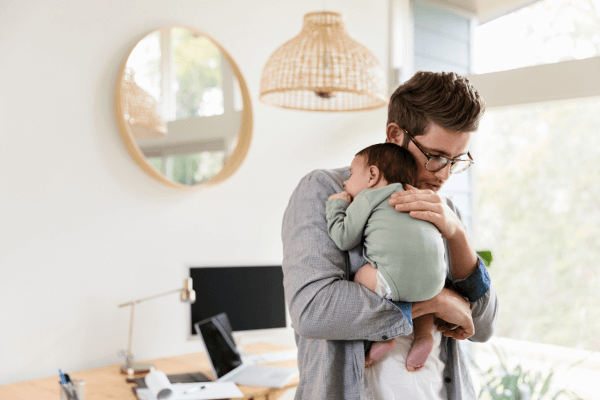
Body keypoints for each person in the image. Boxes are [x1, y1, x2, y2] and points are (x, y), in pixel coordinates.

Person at [282, 71, 499, 400]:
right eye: (436, 157)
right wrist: (431, 301)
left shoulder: (445, 206)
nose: (442, 176)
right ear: (395, 134)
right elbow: (313, 311)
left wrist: (456, 235)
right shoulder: (326, 191)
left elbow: (481, 328)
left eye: (455, 161)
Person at [326, 143, 448, 372]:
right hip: (435, 284)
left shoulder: (369, 197)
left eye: (351, 175)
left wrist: (336, 206)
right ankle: (423, 336)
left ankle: (383, 336)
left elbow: (343, 238)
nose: (346, 182)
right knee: (417, 289)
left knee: (363, 275)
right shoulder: (419, 196)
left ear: (372, 175)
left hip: (394, 279)